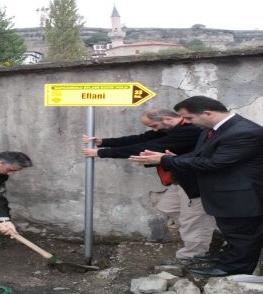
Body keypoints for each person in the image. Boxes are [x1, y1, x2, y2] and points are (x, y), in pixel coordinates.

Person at [130, 96, 263, 277]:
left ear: (207, 113)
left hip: (241, 195)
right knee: (231, 232)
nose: (187, 122)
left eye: (190, 118)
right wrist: (175, 157)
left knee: (242, 235)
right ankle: (226, 260)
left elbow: (214, 163)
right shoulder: (213, 129)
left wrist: (166, 160)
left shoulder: (244, 131)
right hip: (225, 193)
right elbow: (200, 154)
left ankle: (234, 269)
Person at [82, 108, 216, 265]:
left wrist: (101, 153)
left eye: (154, 126)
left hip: (195, 182)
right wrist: (104, 142)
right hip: (180, 180)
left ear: (167, 119)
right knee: (168, 207)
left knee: (193, 220)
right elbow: (140, 139)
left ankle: (192, 256)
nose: (154, 130)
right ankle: (203, 232)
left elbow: (147, 148)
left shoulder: (190, 131)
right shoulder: (170, 129)